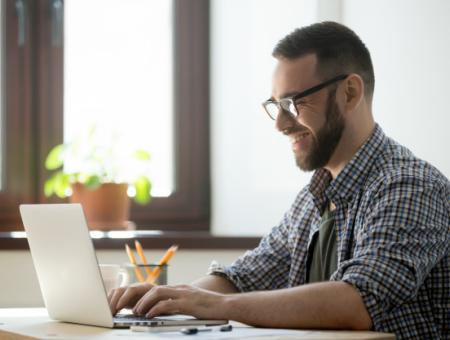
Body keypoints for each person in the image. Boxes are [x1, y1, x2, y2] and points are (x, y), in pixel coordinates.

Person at [108, 22, 449, 339]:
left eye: (294, 102)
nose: (281, 124)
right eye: (275, 105)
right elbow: (242, 279)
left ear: (349, 93)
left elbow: (358, 301)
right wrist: (165, 300)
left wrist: (215, 306)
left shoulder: (409, 186)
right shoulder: (313, 198)